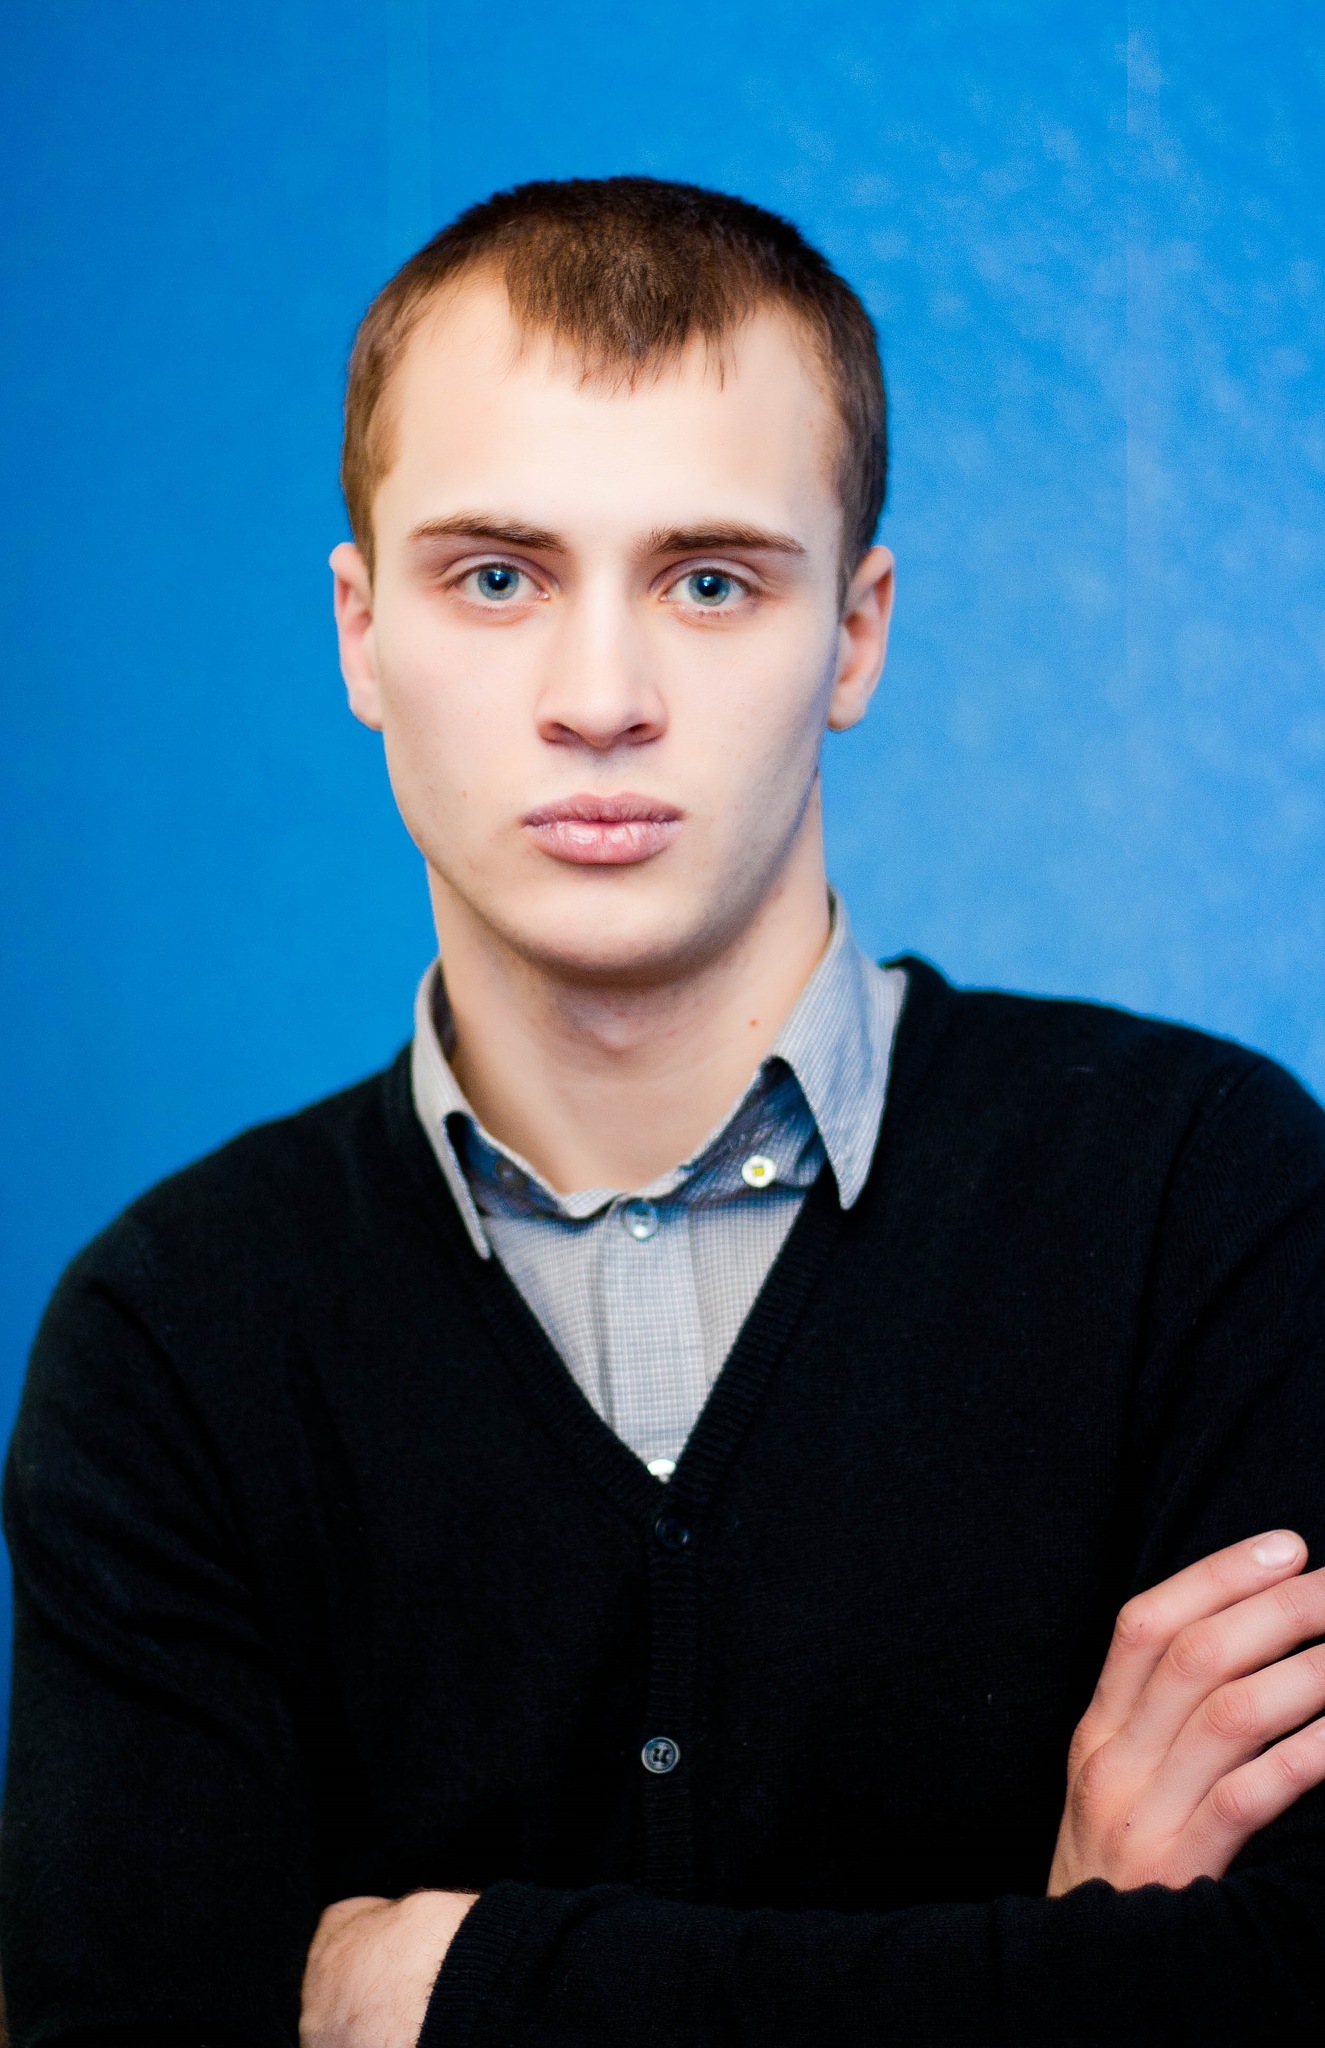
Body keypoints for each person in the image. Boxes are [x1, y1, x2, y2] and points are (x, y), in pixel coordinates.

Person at [3, 176, 1325, 2048]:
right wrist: (1059, 1973)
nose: (599, 697)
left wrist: (442, 1994)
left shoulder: (1205, 1199)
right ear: (360, 633)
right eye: (495, 577)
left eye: (709, 581)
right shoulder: (173, 1337)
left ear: (854, 633)